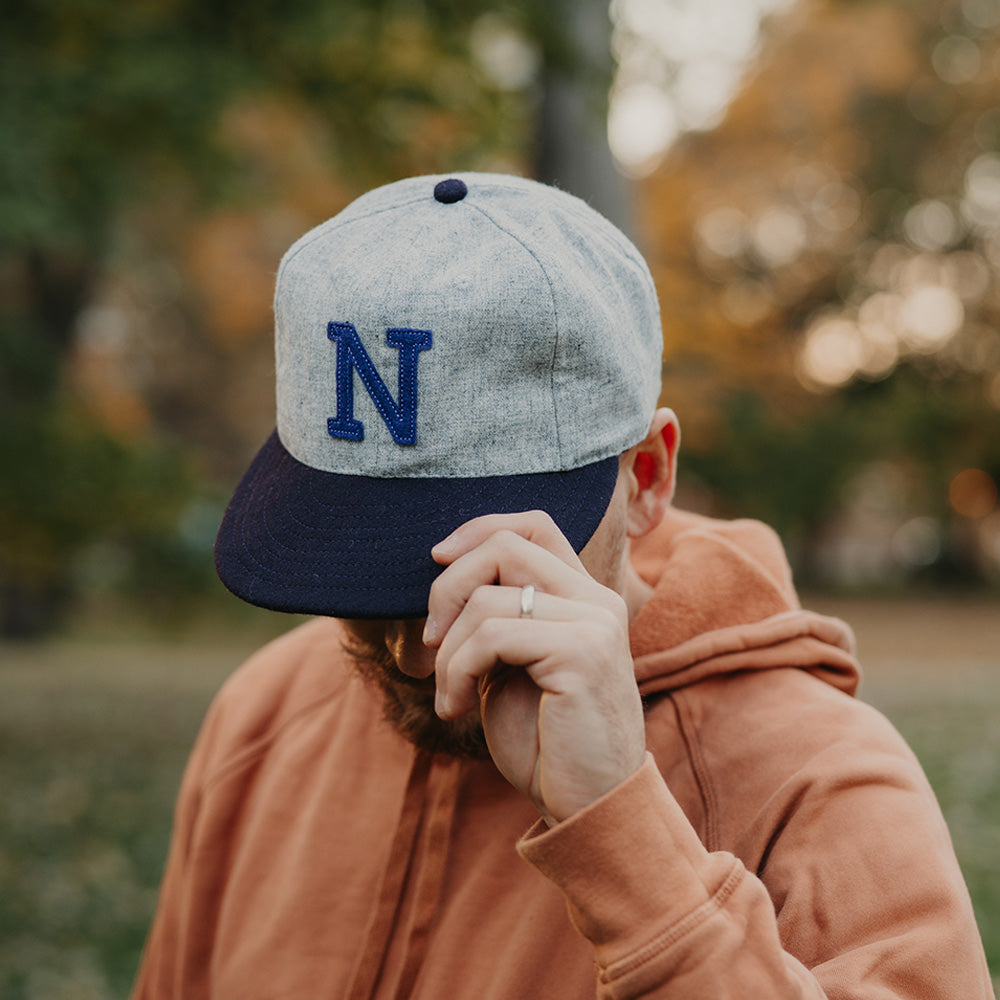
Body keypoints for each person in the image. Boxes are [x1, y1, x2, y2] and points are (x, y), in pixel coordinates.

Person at [132, 173, 993, 999]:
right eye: (362, 566)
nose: (416, 643)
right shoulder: (263, 718)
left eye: (478, 554)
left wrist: (630, 845)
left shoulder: (821, 783)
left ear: (647, 476)